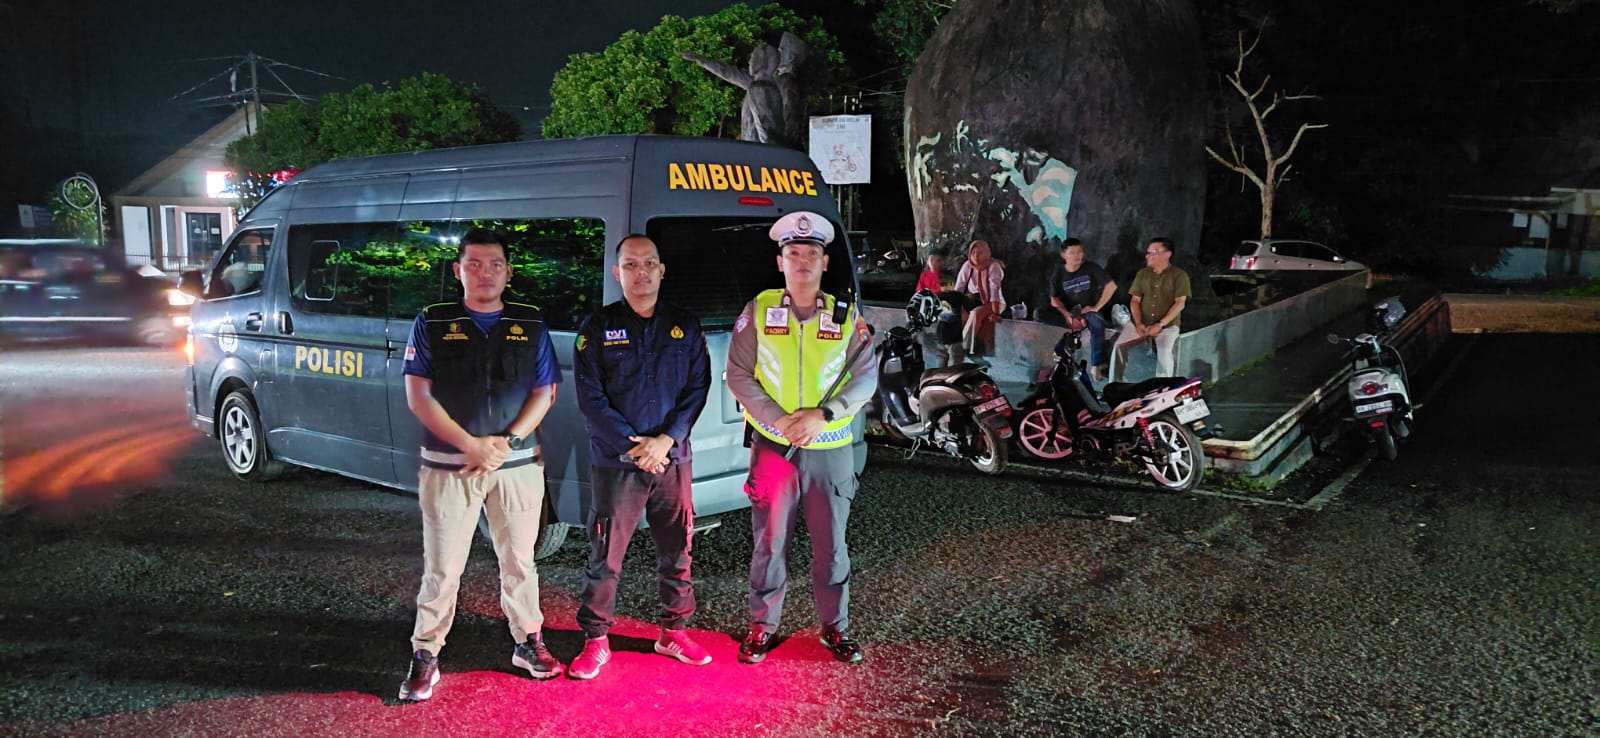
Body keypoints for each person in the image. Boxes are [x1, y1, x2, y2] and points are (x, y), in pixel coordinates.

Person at [397, 228, 564, 701]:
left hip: (516, 465)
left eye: (495, 264)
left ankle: (528, 641)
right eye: (474, 264)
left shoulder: (530, 323)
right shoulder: (432, 321)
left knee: (520, 561)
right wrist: (469, 445)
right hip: (449, 465)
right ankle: (426, 652)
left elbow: (545, 392)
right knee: (442, 567)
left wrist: (505, 443)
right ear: (458, 271)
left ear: (508, 272)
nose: (485, 273)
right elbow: (418, 395)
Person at [725, 211, 878, 666]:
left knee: (832, 545)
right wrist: (778, 419)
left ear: (825, 263)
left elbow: (865, 378)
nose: (803, 261)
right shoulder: (758, 310)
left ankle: (836, 627)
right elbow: (739, 374)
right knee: (769, 542)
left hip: (830, 447)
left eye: (812, 253)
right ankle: (762, 626)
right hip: (774, 447)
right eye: (794, 253)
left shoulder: (846, 316)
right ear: (781, 262)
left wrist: (824, 415)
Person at [568, 235, 713, 680]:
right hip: (618, 462)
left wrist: (666, 440)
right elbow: (591, 398)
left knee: (678, 550)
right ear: (618, 273)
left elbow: (698, 388)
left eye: (649, 263)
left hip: (672, 459)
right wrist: (636, 447)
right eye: (631, 264)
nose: (641, 272)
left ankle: (673, 632)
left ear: (662, 270)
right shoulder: (597, 328)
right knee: (605, 555)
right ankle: (596, 639)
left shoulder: (684, 325)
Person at [1111, 237, 1191, 381]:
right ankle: (1114, 384)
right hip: (1142, 323)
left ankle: (1163, 387)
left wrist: (1160, 324)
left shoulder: (1180, 275)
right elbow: (1135, 300)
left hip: (1167, 326)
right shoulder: (1142, 274)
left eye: (1153, 252)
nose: (1148, 256)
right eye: (1147, 252)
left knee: (1165, 353)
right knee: (1119, 346)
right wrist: (1138, 323)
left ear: (1167, 254)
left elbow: (1180, 303)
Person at [1045, 238, 1118, 381]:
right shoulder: (1058, 273)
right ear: (1063, 255)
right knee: (1039, 313)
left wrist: (1095, 308)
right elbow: (1054, 299)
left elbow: (1111, 286)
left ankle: (1096, 364)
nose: (1077, 256)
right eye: (1072, 253)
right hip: (1069, 314)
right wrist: (1067, 316)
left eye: (1080, 252)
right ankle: (1055, 362)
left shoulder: (1091, 268)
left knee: (1097, 321)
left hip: (1087, 312)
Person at [952, 239, 1005, 363]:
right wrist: (957, 307)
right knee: (955, 313)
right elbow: (959, 288)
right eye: (973, 253)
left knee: (976, 314)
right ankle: (951, 346)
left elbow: (994, 292)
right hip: (974, 299)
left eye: (980, 253)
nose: (976, 256)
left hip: (994, 302)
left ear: (987, 253)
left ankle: (965, 348)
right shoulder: (967, 266)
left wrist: (996, 313)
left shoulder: (994, 267)